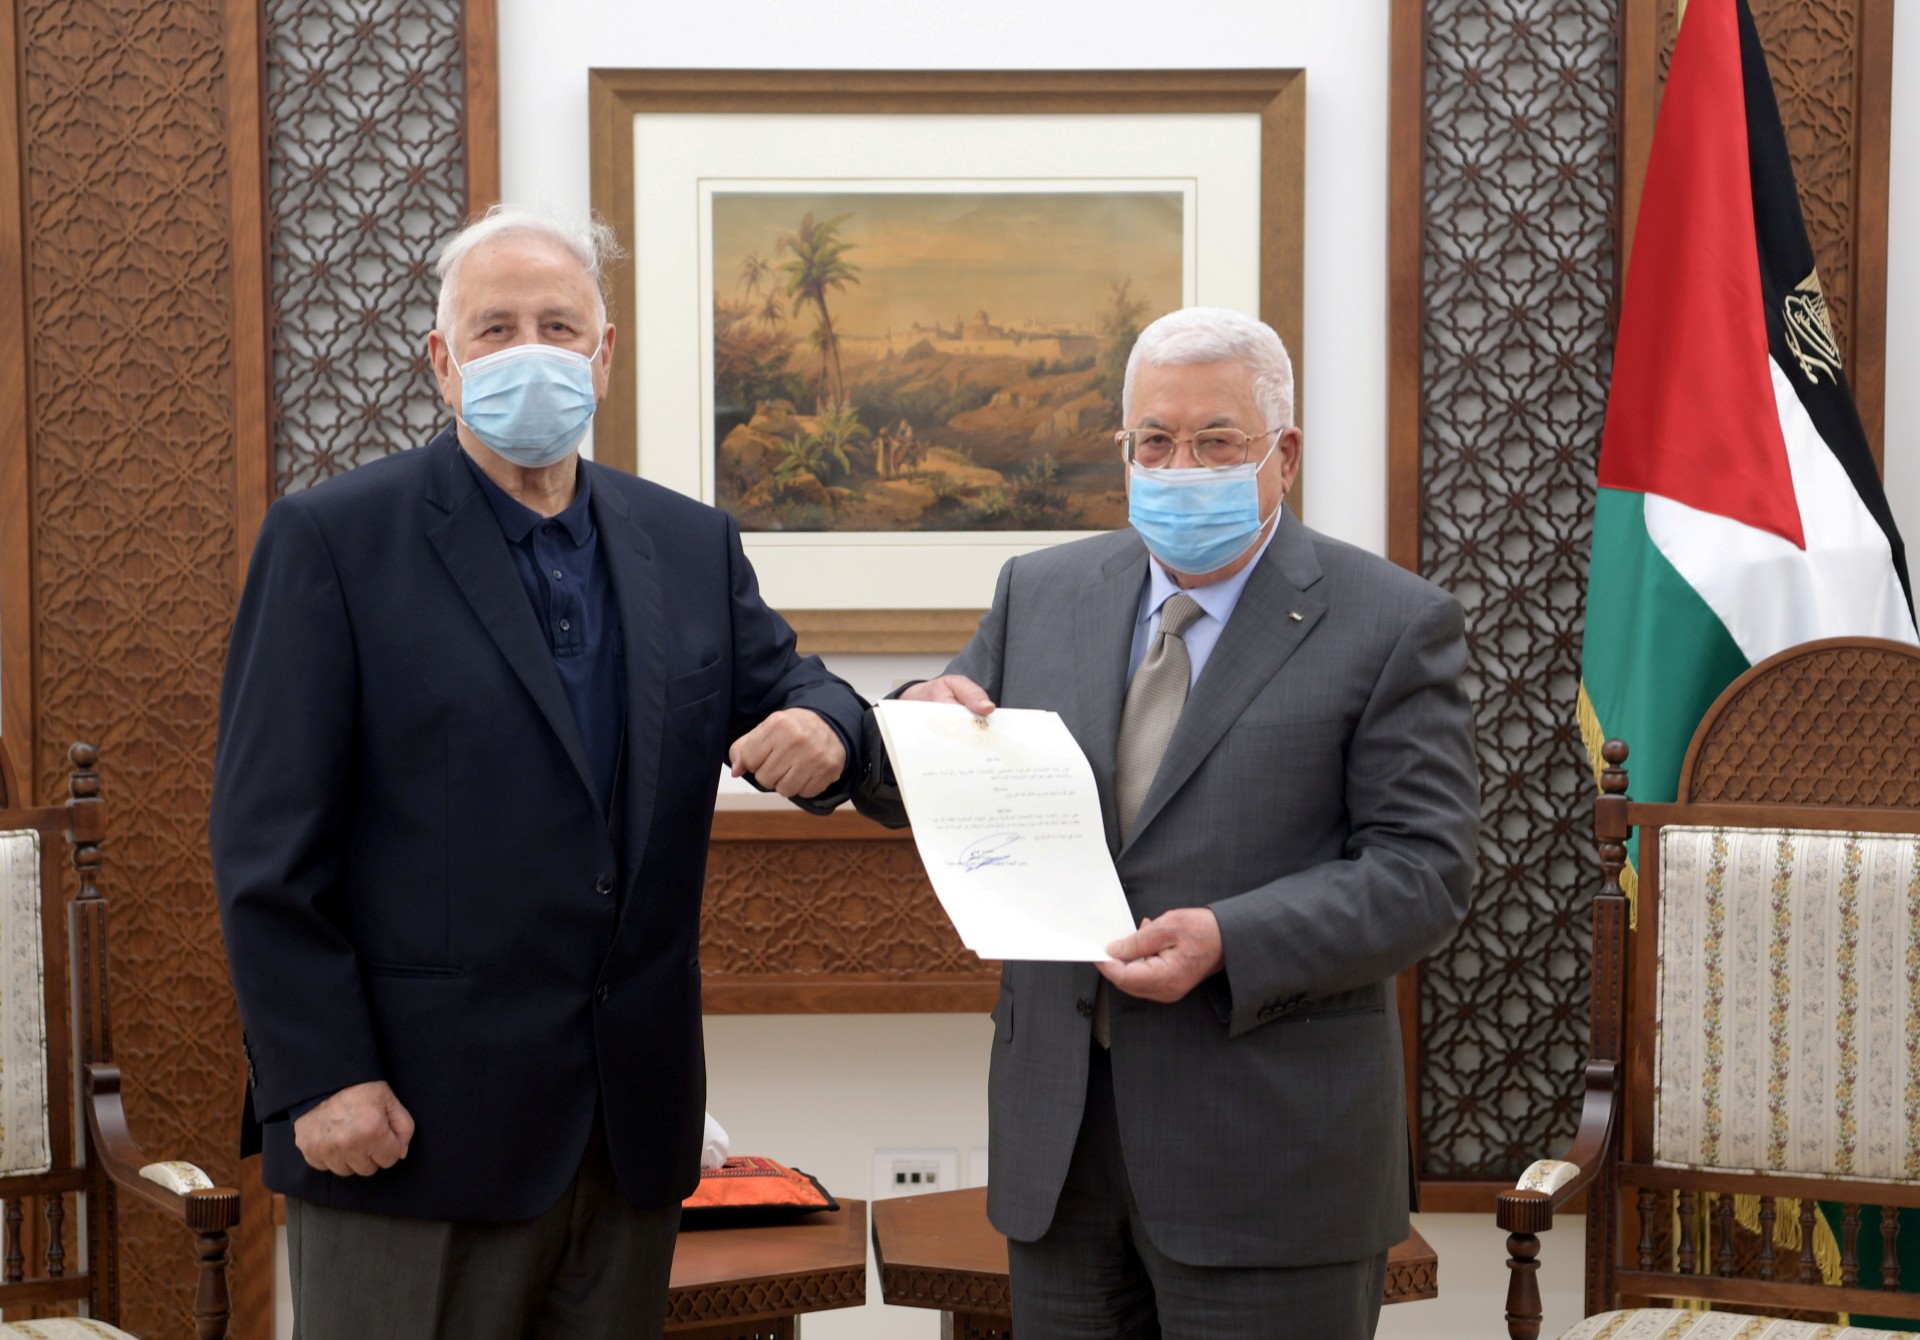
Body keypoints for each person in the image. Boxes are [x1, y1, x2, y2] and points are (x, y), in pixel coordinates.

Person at [210, 205, 865, 1340]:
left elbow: (801, 692)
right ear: (442, 358)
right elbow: (265, 843)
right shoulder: (332, 539)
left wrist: (838, 728)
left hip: (628, 1139)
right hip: (403, 1133)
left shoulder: (688, 543)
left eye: (558, 324)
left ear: (602, 354)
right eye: (496, 326)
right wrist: (317, 1077)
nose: (530, 350)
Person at [856, 307, 1479, 1339]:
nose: (1179, 465)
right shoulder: (1040, 591)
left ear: (1284, 454)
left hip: (1272, 1160)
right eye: (1155, 441)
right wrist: (915, 717)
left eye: (1215, 441)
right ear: (1124, 450)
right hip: (1063, 1151)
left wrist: (1232, 938)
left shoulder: (1393, 621)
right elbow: (938, 773)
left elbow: (1424, 871)